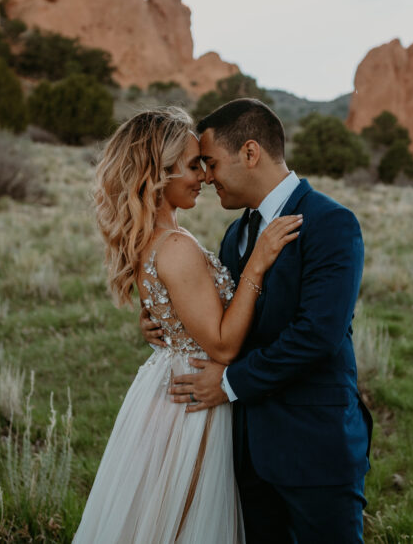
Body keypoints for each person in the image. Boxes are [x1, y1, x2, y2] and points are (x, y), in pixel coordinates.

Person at [143, 98, 372, 543]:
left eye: (209, 162)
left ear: (250, 153)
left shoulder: (330, 223)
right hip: (244, 450)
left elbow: (317, 335)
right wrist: (164, 323)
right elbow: (226, 320)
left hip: (314, 445)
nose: (205, 177)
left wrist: (229, 383)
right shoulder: (236, 234)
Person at [73, 107, 302, 543]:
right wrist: (257, 263)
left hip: (174, 385)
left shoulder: (157, 240)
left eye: (205, 163)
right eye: (194, 165)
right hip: (192, 397)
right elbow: (222, 347)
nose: (204, 176)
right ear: (160, 172)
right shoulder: (176, 246)